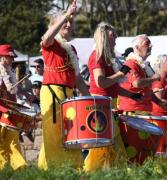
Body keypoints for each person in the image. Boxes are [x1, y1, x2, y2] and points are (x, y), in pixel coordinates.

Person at [38, 0, 90, 170]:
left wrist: (90, 98)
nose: (68, 24)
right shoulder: (51, 44)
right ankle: (59, 169)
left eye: (70, 22)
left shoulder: (71, 49)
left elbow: (77, 79)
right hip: (53, 91)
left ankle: (48, 168)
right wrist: (66, 15)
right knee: (54, 131)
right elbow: (46, 37)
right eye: (65, 21)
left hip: (69, 94)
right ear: (54, 25)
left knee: (69, 132)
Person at [84, 22, 132, 172]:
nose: (116, 37)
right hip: (100, 105)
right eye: (113, 35)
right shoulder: (97, 56)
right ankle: (90, 173)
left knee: (108, 145)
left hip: (108, 104)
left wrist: (133, 95)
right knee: (105, 145)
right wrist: (120, 74)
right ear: (103, 36)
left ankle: (109, 173)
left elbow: (113, 87)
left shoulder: (105, 57)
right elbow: (101, 82)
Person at [0, 44, 27, 170]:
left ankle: (19, 167)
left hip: (10, 109)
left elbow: (14, 91)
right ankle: (3, 168)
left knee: (13, 140)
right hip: (1, 110)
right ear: (3, 57)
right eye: (10, 57)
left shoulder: (10, 71)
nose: (12, 59)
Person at [118, 34, 161, 115]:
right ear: (137, 47)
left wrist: (160, 102)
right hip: (133, 111)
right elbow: (137, 83)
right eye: (146, 43)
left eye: (150, 44)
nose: (150, 46)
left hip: (143, 110)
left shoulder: (142, 65)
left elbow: (146, 90)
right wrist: (153, 78)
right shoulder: (130, 63)